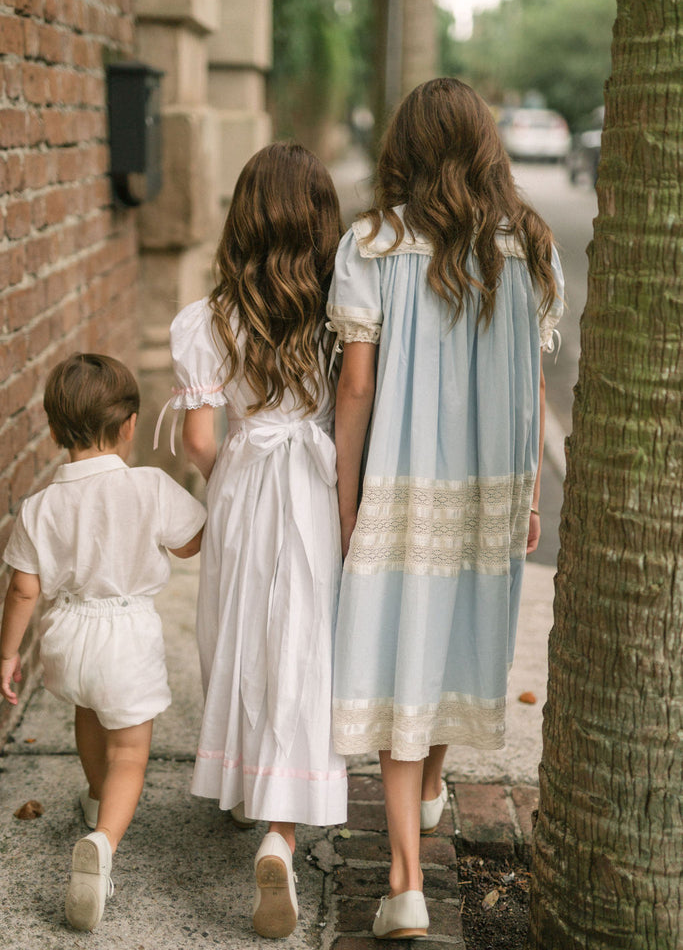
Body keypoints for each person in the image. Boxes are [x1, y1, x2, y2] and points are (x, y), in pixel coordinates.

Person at [327, 77, 564, 940]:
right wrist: (529, 495)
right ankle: (429, 788)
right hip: (488, 486)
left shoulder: (372, 243)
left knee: (399, 660)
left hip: (399, 481)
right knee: (451, 638)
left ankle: (403, 884)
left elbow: (356, 386)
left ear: (405, 148)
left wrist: (346, 496)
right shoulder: (529, 244)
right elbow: (533, 384)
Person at [160, 142, 348, 939]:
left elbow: (198, 440)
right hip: (315, 485)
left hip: (243, 482)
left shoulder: (209, 319)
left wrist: (228, 478)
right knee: (301, 644)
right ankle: (281, 829)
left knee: (235, 634)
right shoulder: (339, 311)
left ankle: (241, 785)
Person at [0, 353, 206, 932]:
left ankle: (96, 794)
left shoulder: (39, 506)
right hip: (126, 635)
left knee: (88, 707)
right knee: (130, 753)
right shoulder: (149, 487)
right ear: (129, 425)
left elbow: (22, 588)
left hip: (68, 635)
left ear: (53, 429)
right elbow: (192, 542)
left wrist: (8, 654)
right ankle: (104, 842)